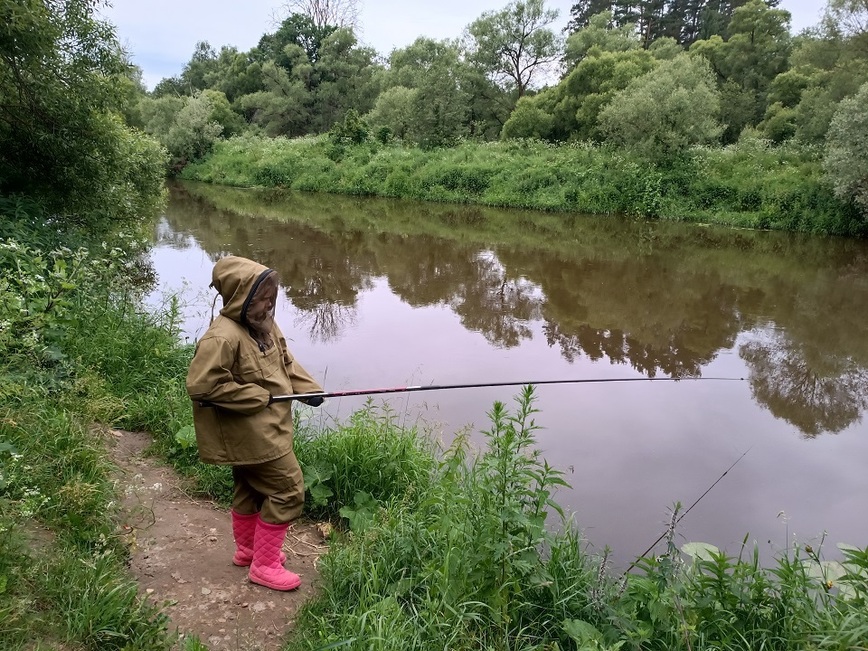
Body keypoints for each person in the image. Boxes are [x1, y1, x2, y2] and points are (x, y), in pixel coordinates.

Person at [186, 255, 324, 592]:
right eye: (261, 297)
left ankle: (250, 551)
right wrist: (255, 396)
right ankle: (264, 566)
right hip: (252, 434)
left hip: (268, 428)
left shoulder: (263, 323)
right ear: (239, 296)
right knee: (289, 491)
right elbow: (202, 385)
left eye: (271, 296)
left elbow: (285, 362)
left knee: (248, 489)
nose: (268, 303)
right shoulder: (222, 337)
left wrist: (309, 391)